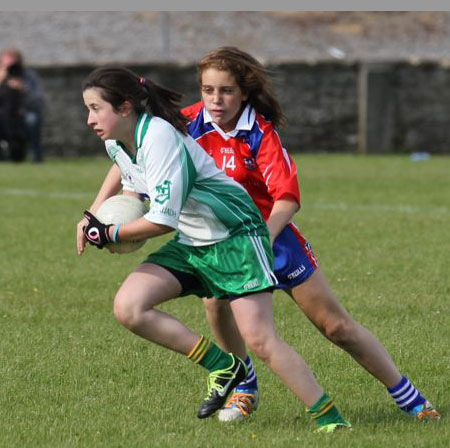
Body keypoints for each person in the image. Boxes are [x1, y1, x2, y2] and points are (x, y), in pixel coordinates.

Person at [76, 66, 351, 433]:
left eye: (96, 108)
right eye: (88, 109)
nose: (90, 119)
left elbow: (162, 221)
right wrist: (95, 217)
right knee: (129, 307)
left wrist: (112, 233)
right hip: (194, 239)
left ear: (125, 107)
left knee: (261, 340)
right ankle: (224, 366)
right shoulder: (117, 142)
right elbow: (132, 191)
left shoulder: (158, 136)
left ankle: (332, 420)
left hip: (235, 235)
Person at [181, 46, 440, 423]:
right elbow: (134, 140)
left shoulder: (260, 134)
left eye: (226, 91)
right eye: (208, 90)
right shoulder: (185, 123)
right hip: (225, 242)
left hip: (275, 239)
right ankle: (244, 388)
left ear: (244, 93)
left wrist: (263, 241)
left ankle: (411, 399)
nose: (215, 100)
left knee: (336, 327)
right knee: (215, 304)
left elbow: (287, 200)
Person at [0, 48, 45, 163]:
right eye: (7, 66)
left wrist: (23, 89)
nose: (11, 69)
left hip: (25, 112)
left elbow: (39, 101)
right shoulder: (1, 76)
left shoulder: (29, 77)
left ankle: (36, 156)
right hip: (4, 114)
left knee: (32, 120)